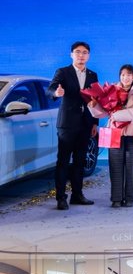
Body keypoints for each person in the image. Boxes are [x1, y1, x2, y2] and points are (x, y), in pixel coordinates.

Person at [89, 64, 133, 208]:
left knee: (132, 167)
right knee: (115, 166)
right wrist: (94, 105)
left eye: (129, 75)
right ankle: (116, 198)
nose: (125, 77)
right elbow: (104, 112)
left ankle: (130, 197)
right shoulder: (112, 90)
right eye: (123, 75)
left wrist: (116, 115)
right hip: (115, 132)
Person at [48, 41, 98, 210]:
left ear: (88, 56)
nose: (81, 55)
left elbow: (95, 100)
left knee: (79, 161)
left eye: (84, 52)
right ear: (71, 55)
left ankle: (77, 195)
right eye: (77, 52)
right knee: (63, 161)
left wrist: (95, 123)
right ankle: (61, 198)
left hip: (85, 124)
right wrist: (56, 93)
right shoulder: (63, 72)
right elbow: (50, 89)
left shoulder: (92, 75)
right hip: (67, 124)